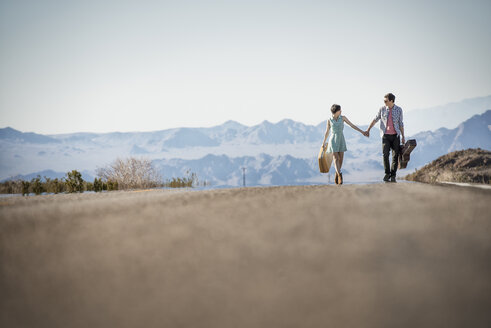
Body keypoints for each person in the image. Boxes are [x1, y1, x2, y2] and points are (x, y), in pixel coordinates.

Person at [364, 93, 405, 182]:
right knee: (385, 155)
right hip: (385, 136)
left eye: (385, 101)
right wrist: (368, 129)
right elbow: (375, 119)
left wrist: (403, 136)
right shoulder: (382, 109)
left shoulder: (399, 110)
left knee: (395, 156)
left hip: (395, 136)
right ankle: (387, 173)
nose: (384, 102)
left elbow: (401, 123)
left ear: (391, 101)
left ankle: (393, 175)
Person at [322, 104, 366, 185]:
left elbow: (352, 125)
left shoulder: (343, 118)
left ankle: (337, 173)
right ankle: (339, 175)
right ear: (336, 111)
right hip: (333, 140)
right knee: (335, 158)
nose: (341, 111)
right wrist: (323, 142)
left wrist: (362, 131)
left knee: (341, 159)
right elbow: (327, 132)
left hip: (341, 139)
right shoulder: (329, 120)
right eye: (340, 110)